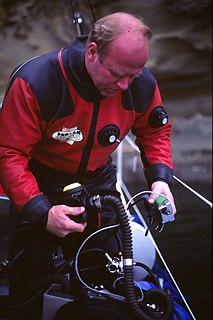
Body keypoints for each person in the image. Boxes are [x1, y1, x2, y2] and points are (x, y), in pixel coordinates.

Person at [0, 12, 176, 319]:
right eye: (117, 74)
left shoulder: (141, 84)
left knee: (105, 272)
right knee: (28, 276)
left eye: (132, 76)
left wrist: (160, 179)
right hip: (39, 183)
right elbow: (9, 153)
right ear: (92, 52)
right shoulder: (37, 81)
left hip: (99, 182)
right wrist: (41, 211)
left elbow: (155, 130)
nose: (123, 86)